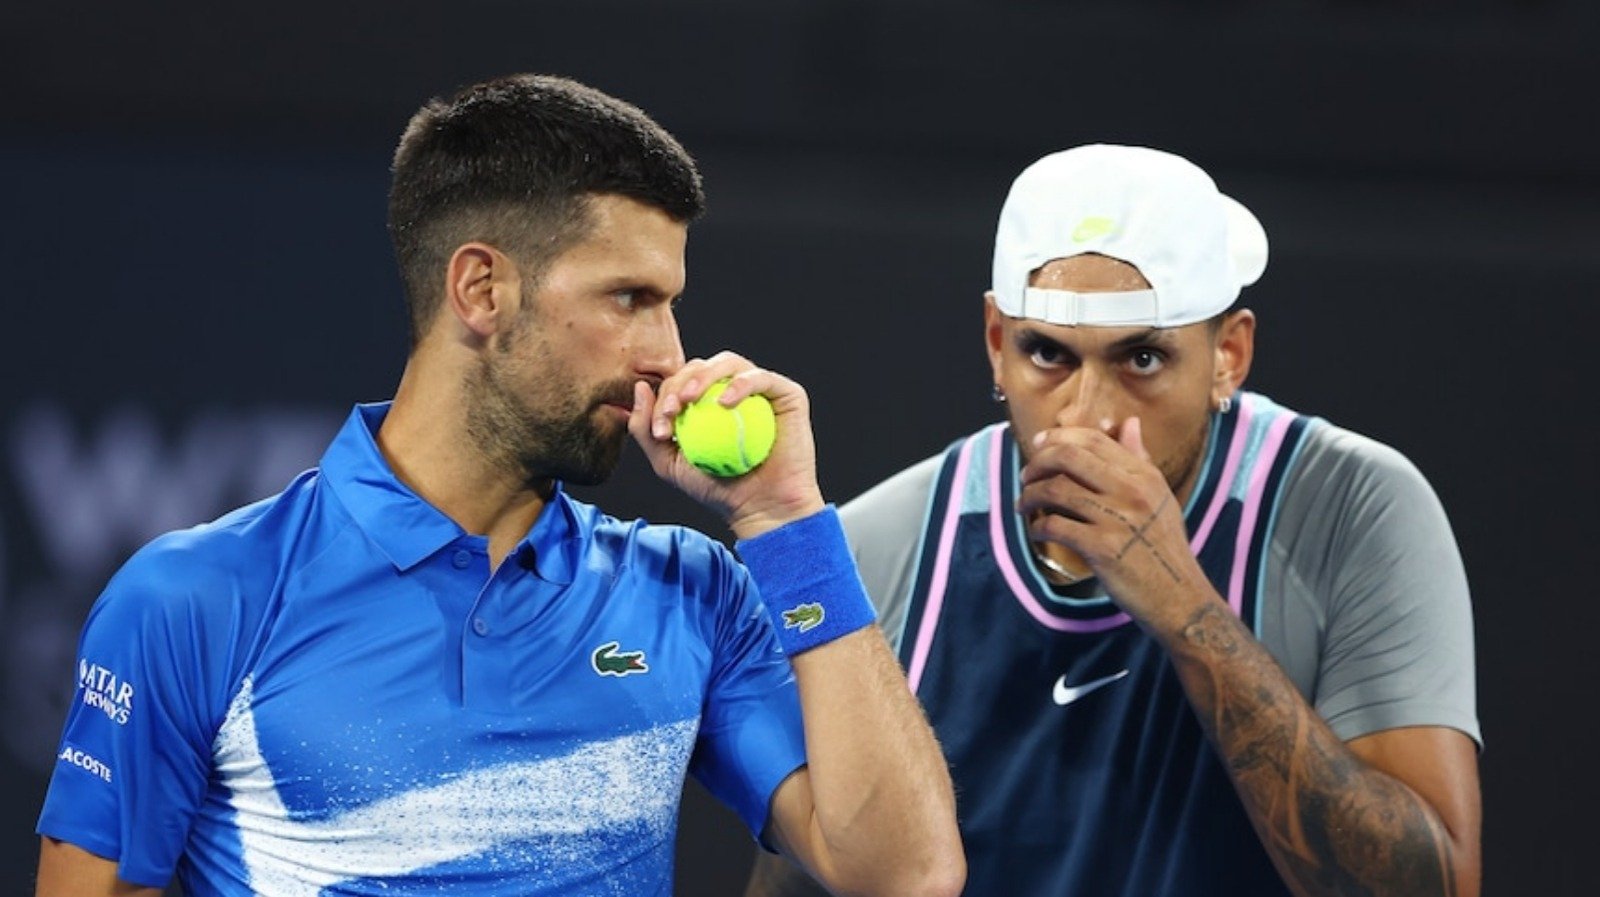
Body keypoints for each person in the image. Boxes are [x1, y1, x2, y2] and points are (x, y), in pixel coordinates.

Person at [33, 73, 964, 897]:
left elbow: (905, 872)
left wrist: (785, 516)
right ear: (481, 290)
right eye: (629, 298)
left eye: (671, 303)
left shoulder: (694, 593)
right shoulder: (194, 601)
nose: (667, 355)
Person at [747, 143, 1481, 896]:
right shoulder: (879, 547)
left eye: (1143, 359)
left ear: (1228, 354)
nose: (1088, 415)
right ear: (998, 344)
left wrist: (1184, 608)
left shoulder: (1356, 507)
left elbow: (1437, 887)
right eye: (1048, 355)